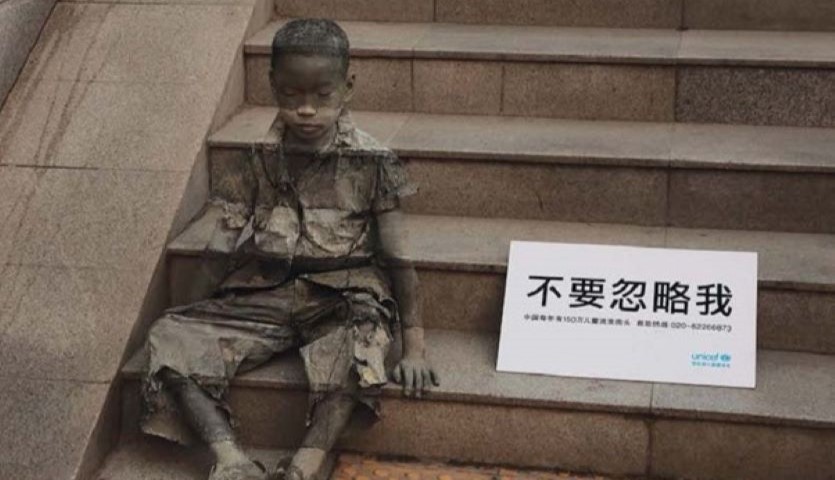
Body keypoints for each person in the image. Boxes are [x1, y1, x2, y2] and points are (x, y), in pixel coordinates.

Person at [140, 18, 439, 480]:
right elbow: (218, 252)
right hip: (265, 291)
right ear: (272, 86)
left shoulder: (372, 163)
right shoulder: (255, 162)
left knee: (361, 353)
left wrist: (415, 347)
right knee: (168, 336)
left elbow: (399, 259)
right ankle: (231, 459)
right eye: (291, 95)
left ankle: (302, 467)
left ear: (348, 88)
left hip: (343, 295)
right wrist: (190, 313)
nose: (306, 111)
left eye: (322, 96)